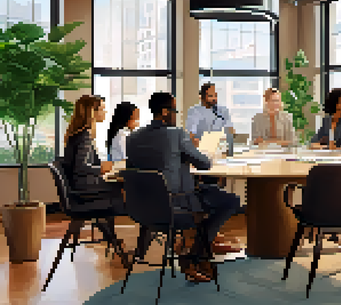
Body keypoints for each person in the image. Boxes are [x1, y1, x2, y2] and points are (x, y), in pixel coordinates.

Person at [126, 92, 241, 283]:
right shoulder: (176, 134)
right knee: (230, 201)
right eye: (174, 110)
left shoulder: (133, 138)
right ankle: (195, 255)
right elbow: (204, 164)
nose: (176, 114)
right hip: (176, 205)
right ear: (164, 112)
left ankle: (196, 253)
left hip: (142, 209)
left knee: (210, 195)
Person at [63, 95, 131, 265]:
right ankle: (115, 241)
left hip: (78, 185)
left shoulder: (78, 134)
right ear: (91, 112)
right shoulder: (85, 136)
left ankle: (113, 241)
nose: (105, 111)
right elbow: (81, 167)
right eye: (101, 108)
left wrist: (101, 166)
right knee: (119, 190)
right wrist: (101, 168)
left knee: (116, 187)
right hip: (83, 187)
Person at [185, 83, 234, 147]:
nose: (214, 98)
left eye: (215, 95)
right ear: (202, 97)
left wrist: (230, 139)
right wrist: (193, 141)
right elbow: (191, 131)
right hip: (200, 146)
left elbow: (229, 128)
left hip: (219, 146)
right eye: (210, 96)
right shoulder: (194, 111)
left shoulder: (223, 110)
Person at [310, 88, 341, 153]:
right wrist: (325, 147)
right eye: (340, 103)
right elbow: (313, 142)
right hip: (327, 156)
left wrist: (337, 148)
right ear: (333, 103)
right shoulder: (327, 121)